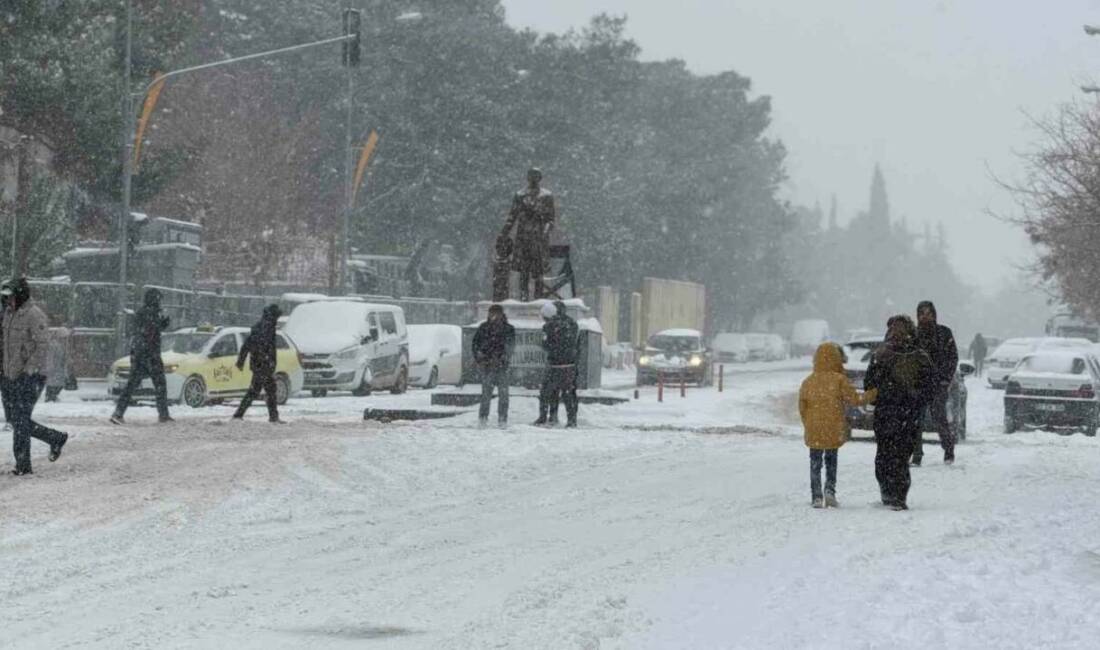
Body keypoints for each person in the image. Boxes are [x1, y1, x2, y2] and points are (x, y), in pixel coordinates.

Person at [864, 315, 933, 510]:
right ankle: (892, 494)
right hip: (897, 412)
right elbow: (870, 383)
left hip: (898, 412)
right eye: (894, 330)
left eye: (900, 330)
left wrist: (915, 399)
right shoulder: (886, 355)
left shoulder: (913, 356)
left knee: (893, 455)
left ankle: (894, 495)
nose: (897, 334)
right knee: (892, 455)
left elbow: (929, 386)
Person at [2, 279, 69, 475]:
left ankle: (23, 464)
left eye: (11, 296)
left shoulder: (34, 315)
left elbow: (43, 345)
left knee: (20, 420)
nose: (8, 300)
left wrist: (29, 369)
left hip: (32, 376)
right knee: (17, 420)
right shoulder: (8, 314)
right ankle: (53, 439)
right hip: (11, 374)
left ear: (20, 295)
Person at [798, 343, 876, 508]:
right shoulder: (839, 380)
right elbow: (856, 400)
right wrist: (875, 392)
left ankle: (816, 496)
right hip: (833, 428)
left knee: (815, 463)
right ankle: (830, 491)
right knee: (831, 461)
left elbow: (802, 407)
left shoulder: (808, 381)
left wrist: (808, 423)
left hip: (814, 429)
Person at [111, 288, 172, 425]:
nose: (160, 303)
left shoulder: (142, 312)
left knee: (131, 385)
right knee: (160, 385)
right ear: (155, 300)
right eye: (159, 299)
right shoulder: (152, 313)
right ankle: (163, 414)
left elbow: (144, 331)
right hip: (150, 355)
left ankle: (118, 412)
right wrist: (163, 324)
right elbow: (151, 331)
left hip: (139, 354)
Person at [500, 168, 556, 301]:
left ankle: (538, 297)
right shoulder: (520, 195)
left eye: (536, 176)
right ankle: (523, 297)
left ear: (540, 178)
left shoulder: (547, 196)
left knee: (538, 271)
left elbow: (551, 219)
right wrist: (504, 233)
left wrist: (545, 232)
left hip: (538, 238)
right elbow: (512, 216)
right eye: (531, 176)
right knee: (523, 270)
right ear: (527, 178)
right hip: (523, 237)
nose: (533, 179)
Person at [914, 300, 958, 466]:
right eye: (922, 314)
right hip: (918, 385)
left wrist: (945, 379)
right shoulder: (914, 334)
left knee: (939, 418)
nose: (925, 317)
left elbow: (952, 357)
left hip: (938, 384)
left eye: (928, 313)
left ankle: (948, 450)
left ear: (934, 314)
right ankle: (916, 454)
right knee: (915, 420)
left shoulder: (944, 333)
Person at [232, 304, 284, 423]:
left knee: (260, 391)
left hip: (259, 365)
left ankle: (240, 414)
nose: (277, 320)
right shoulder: (267, 328)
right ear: (273, 316)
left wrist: (241, 360)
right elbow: (265, 347)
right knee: (265, 391)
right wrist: (267, 361)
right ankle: (272, 417)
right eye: (277, 317)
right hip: (263, 366)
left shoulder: (261, 326)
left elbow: (247, 345)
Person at [536, 300, 581, 427]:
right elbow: (576, 344)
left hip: (554, 363)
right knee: (568, 393)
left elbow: (546, 344)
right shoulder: (572, 324)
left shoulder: (549, 326)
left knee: (548, 391)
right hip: (569, 364)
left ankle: (548, 417)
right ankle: (572, 420)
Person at [472, 304, 515, 426]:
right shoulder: (484, 328)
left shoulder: (508, 329)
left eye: (495, 313)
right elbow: (475, 344)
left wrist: (504, 356)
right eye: (491, 313)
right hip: (487, 365)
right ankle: (483, 417)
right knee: (486, 394)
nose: (493, 316)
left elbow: (510, 346)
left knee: (503, 395)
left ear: (501, 315)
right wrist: (480, 356)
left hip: (501, 366)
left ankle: (502, 418)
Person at [44, 318, 72, 402]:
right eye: (64, 337)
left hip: (59, 370)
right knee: (53, 385)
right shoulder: (54, 345)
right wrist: (50, 367)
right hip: (54, 370)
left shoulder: (63, 345)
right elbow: (50, 357)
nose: (65, 339)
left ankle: (52, 396)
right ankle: (50, 397)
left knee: (59, 384)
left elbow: (64, 357)